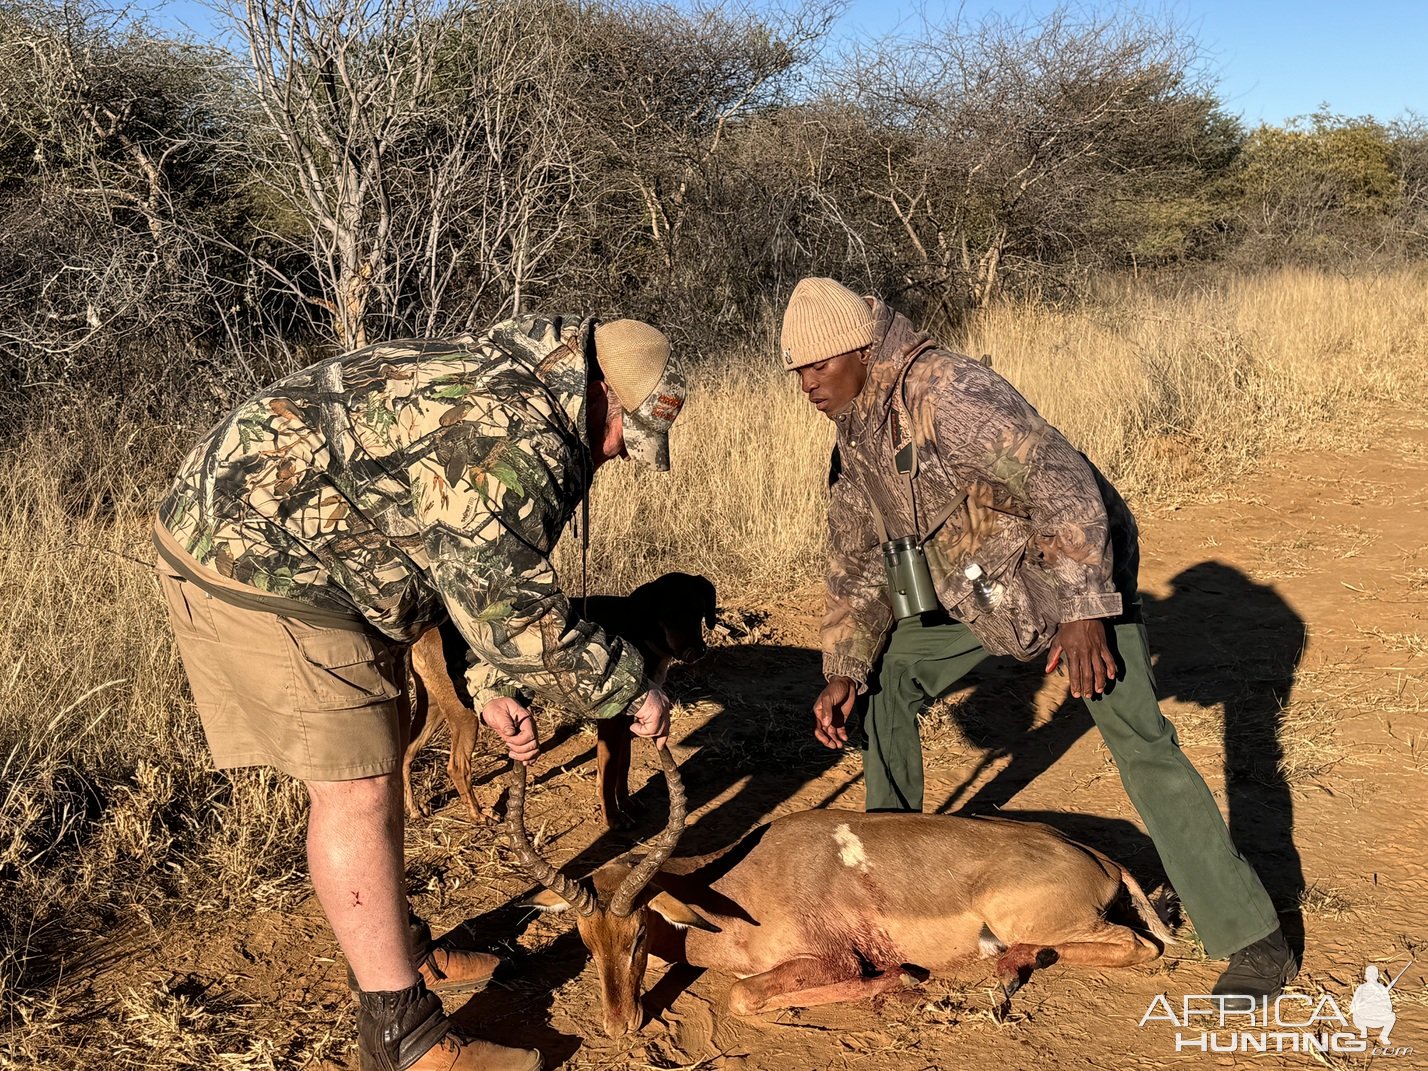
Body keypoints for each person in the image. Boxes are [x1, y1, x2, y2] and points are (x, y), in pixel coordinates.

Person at [154, 314, 686, 1071]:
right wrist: (631, 689)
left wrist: (486, 682)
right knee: (359, 786)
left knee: (376, 753)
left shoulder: (524, 384)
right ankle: (405, 1039)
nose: (617, 457)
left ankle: (400, 954)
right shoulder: (518, 434)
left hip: (306, 549)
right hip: (263, 558)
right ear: (601, 396)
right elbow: (514, 611)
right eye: (623, 437)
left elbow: (455, 565)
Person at [779, 277, 1298, 1000]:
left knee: (1141, 740)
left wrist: (1086, 613)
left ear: (861, 350)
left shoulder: (947, 390)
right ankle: (893, 889)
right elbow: (855, 558)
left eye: (818, 365)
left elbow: (1065, 482)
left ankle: (1252, 937)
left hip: (1072, 576)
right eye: (796, 371)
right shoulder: (856, 429)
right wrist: (843, 667)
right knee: (885, 676)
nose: (806, 383)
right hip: (989, 597)